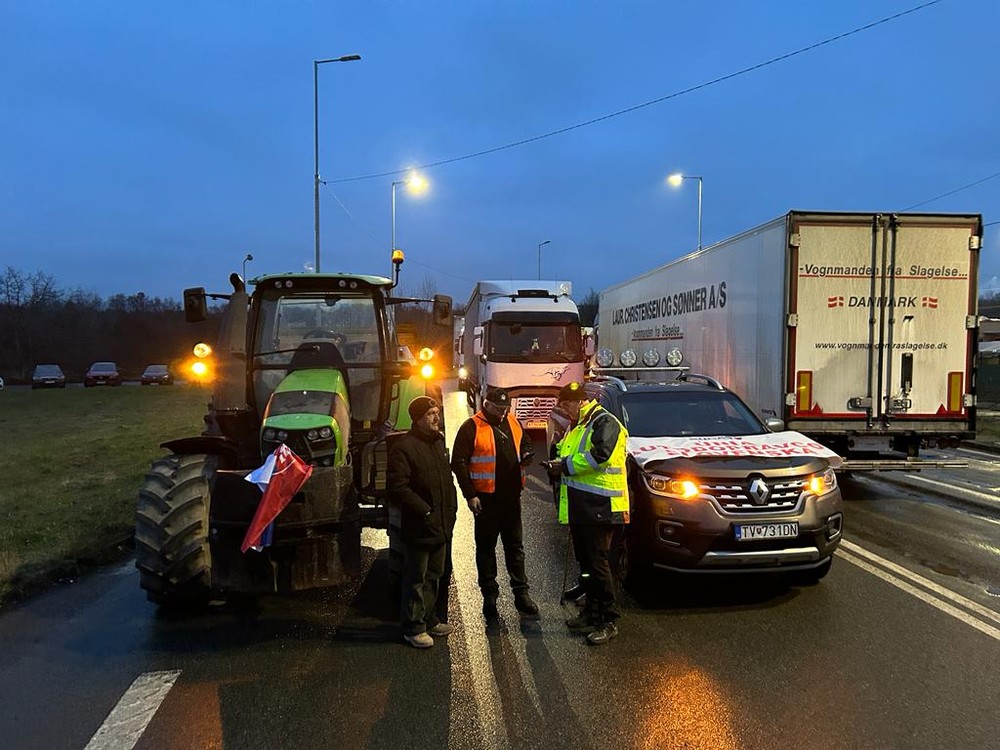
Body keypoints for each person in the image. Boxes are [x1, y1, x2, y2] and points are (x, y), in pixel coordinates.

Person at [545, 381, 629, 645]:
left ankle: (608, 619)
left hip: (601, 506)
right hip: (583, 506)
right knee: (587, 563)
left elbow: (599, 456)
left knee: (598, 564)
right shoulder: (580, 424)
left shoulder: (605, 422)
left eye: (566, 405)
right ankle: (591, 612)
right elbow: (568, 452)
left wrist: (564, 466)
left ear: (579, 401)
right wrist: (555, 458)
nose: (564, 410)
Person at [451, 386, 539, 622]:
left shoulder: (512, 421)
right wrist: (470, 495)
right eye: (499, 408)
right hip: (486, 501)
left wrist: (528, 453)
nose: (503, 413)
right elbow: (458, 462)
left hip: (511, 499)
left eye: (505, 408)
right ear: (486, 404)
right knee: (486, 550)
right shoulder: (471, 427)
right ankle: (489, 598)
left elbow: (526, 443)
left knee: (515, 548)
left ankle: (522, 595)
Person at [387, 396, 458, 648]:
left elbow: (445, 481)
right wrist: (425, 512)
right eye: (430, 414)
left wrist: (450, 510)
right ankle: (413, 627)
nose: (436, 418)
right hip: (420, 525)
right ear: (417, 419)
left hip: (440, 523)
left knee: (434, 575)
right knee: (416, 577)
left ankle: (429, 620)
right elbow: (398, 487)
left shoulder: (437, 443)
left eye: (437, 412)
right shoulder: (404, 448)